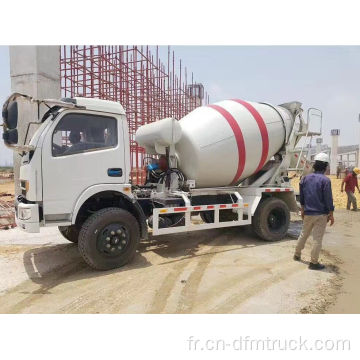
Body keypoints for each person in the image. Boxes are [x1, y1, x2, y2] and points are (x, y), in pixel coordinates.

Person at [294, 152, 335, 270]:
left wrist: (302, 209)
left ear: (314, 165)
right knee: (317, 239)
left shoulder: (305, 179)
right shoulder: (325, 181)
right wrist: (331, 214)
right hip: (321, 214)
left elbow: (302, 196)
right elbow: (328, 199)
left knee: (303, 234)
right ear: (325, 166)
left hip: (307, 212)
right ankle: (313, 262)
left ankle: (297, 255)